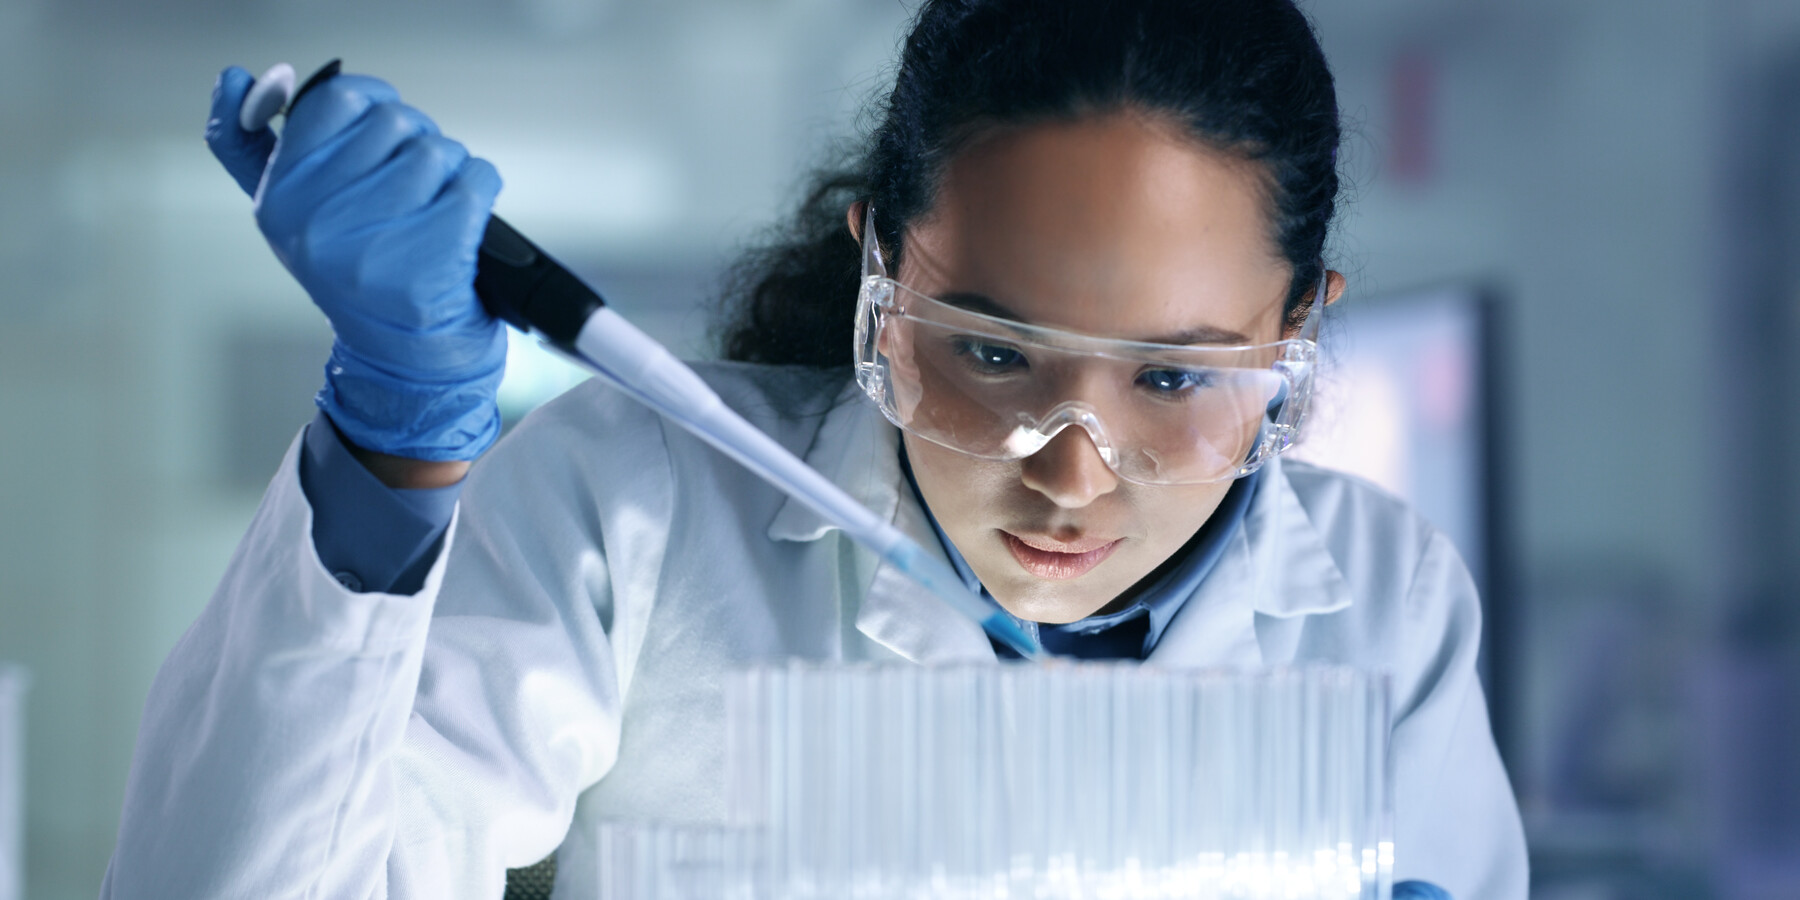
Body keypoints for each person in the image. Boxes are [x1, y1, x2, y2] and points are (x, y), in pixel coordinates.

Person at [103, 1, 1526, 898]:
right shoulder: (639, 506)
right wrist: (390, 446)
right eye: (990, 352)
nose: (1072, 475)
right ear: (881, 289)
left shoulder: (1381, 597)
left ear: (1299, 329)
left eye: (1170, 377)